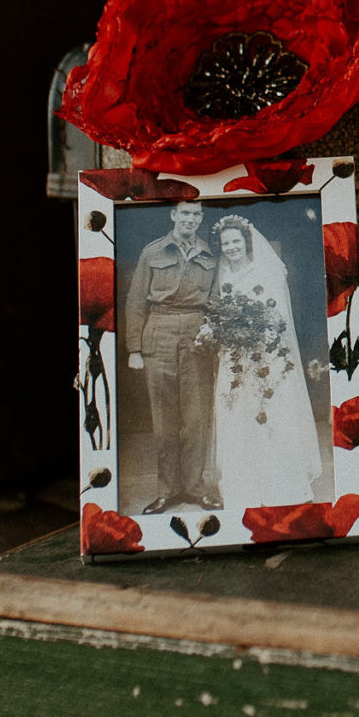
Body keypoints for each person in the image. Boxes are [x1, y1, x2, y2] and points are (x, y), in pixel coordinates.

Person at [206, 215, 323, 515]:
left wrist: (257, 333)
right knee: (238, 411)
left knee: (270, 411)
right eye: (226, 243)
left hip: (264, 352)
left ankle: (279, 483)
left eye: (236, 241)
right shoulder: (222, 272)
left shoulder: (266, 270)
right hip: (235, 353)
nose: (231, 248)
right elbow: (223, 309)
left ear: (247, 242)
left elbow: (278, 314)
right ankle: (244, 483)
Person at [123, 199, 220, 514]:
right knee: (164, 420)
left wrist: (212, 334)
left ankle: (195, 488)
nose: (190, 219)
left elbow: (217, 300)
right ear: (173, 215)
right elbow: (136, 299)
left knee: (196, 417)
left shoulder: (209, 254)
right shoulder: (152, 252)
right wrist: (134, 349)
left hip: (196, 335)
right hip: (160, 330)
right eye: (185, 213)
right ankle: (167, 491)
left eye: (196, 214)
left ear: (201, 218)